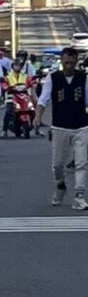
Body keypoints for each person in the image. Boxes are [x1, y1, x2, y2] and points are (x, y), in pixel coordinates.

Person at [34, 47, 88, 210]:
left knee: (81, 163)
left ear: (76, 62)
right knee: (57, 165)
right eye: (66, 63)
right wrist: (37, 117)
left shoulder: (83, 78)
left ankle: (79, 196)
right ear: (62, 62)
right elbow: (43, 99)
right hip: (59, 127)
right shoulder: (53, 78)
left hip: (81, 126)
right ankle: (60, 186)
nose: (69, 66)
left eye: (72, 63)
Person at [2, 59, 33, 137]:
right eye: (16, 65)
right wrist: (6, 87)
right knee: (8, 112)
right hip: (12, 98)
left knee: (32, 110)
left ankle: (35, 126)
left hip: (24, 97)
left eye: (19, 65)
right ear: (12, 66)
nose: (17, 67)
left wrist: (33, 83)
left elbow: (31, 81)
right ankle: (4, 131)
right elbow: (4, 84)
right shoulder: (8, 76)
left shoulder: (25, 76)